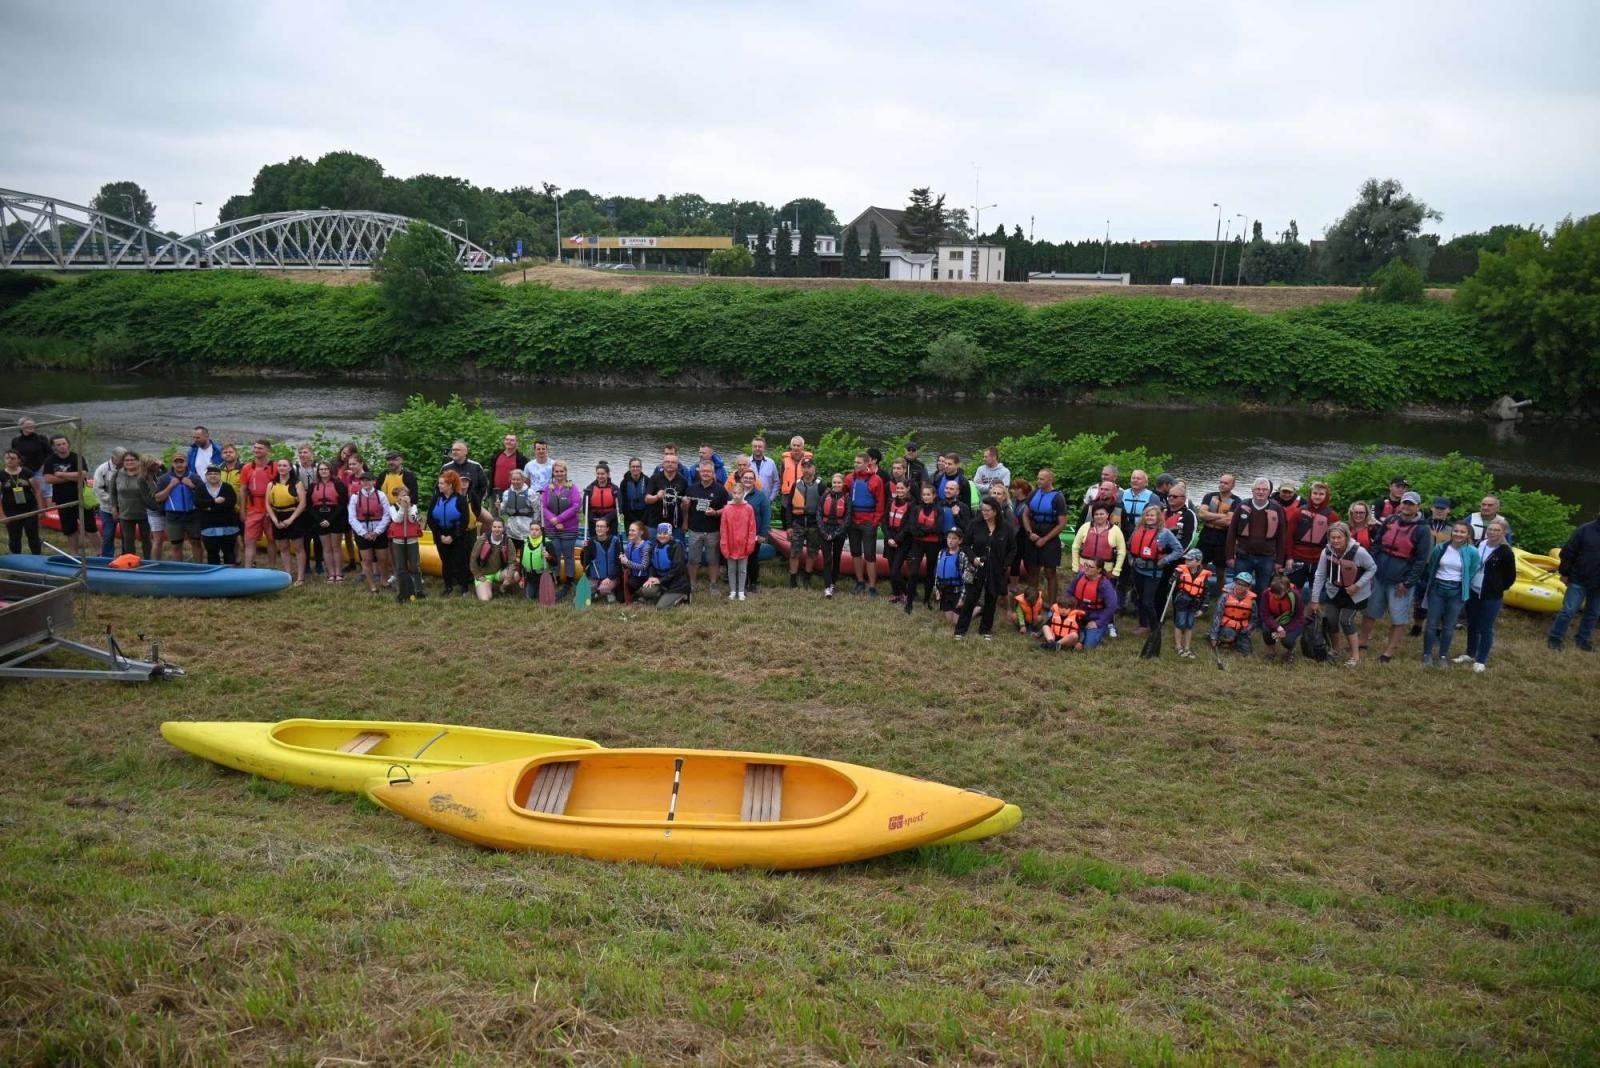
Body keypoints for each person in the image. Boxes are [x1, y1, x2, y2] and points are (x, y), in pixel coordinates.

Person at [1363, 491, 1429, 663]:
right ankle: (1362, 641)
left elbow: (1421, 560)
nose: (1407, 507)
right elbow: (1377, 544)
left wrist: (1408, 583)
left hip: (1400, 581)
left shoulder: (1422, 530)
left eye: (1411, 504)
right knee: (1370, 611)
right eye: (1404, 503)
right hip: (1380, 575)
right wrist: (1371, 566)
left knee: (1397, 617)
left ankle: (1389, 652)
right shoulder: (1391, 520)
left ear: (1418, 507)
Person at [1309, 522, 1377, 668]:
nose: (1335, 541)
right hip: (1334, 591)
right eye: (1332, 538)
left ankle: (1355, 656)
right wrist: (1314, 600)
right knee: (1332, 620)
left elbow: (1372, 568)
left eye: (1339, 537)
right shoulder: (1326, 552)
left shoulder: (1359, 552)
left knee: (1346, 621)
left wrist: (1357, 585)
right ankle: (1335, 649)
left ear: (1346, 537)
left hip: (1355, 593)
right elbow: (1320, 574)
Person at [953, 498, 1015, 641]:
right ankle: (960, 630)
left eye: (987, 510)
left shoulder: (1005, 527)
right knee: (971, 598)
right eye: (983, 510)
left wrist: (1005, 565)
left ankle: (985, 629)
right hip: (977, 567)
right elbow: (966, 545)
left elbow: (1013, 548)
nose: (984, 513)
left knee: (991, 598)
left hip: (996, 569)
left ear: (995, 511)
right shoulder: (975, 524)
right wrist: (973, 558)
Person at [1420, 521, 1480, 666]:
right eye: (1456, 531)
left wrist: (1460, 584)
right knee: (1432, 623)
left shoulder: (1472, 552)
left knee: (1449, 626)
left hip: (1457, 592)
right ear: (1451, 532)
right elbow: (1432, 567)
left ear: (1468, 535)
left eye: (1462, 532)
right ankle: (1427, 654)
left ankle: (1442, 656)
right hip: (1437, 589)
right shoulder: (1440, 548)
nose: (1458, 534)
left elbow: (1472, 571)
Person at [1459, 517, 1515, 672]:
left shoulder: (1506, 552)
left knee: (1486, 627)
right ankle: (1470, 653)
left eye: (1497, 530)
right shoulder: (1480, 544)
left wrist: (1497, 588)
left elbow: (1510, 577)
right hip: (1473, 591)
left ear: (1504, 533)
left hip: (1491, 595)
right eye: (1490, 529)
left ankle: (1481, 659)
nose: (1492, 532)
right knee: (1472, 624)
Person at [1548, 506, 1600, 652]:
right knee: (1569, 610)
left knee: (1594, 613)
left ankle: (1583, 639)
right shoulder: (1585, 530)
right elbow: (1568, 552)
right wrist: (1565, 572)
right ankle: (1555, 638)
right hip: (1580, 578)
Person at [1127, 503, 1184, 635]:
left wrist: (1165, 560)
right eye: (1147, 515)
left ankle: (1155, 628)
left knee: (1148, 601)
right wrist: (1131, 559)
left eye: (1152, 515)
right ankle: (1143, 625)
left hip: (1153, 572)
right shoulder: (1138, 529)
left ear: (1158, 517)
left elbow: (1178, 550)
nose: (1149, 517)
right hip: (1138, 570)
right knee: (1141, 599)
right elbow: (1129, 546)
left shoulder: (1165, 533)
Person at [1226, 478, 1289, 593]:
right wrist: (1230, 556)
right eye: (1258, 489)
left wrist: (1279, 561)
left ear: (1269, 492)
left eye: (1264, 490)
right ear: (1252, 491)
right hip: (1244, 556)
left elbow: (1281, 536)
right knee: (1239, 588)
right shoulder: (1242, 506)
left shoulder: (1277, 509)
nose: (1261, 492)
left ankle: (1260, 610)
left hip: (1267, 558)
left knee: (1263, 589)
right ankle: (1237, 609)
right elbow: (1231, 533)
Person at [1021, 468, 1068, 605]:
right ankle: (1031, 602)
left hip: (1050, 538)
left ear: (1050, 480)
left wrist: (1045, 539)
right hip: (1034, 535)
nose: (1038, 481)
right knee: (1033, 571)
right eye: (1038, 478)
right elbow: (1025, 514)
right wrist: (1030, 533)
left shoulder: (1058, 497)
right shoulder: (1034, 493)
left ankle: (1053, 604)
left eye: (1042, 479)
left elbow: (1062, 523)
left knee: (1050, 573)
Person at [683, 459, 729, 592]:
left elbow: (727, 509)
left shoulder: (721, 489)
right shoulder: (691, 489)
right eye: (703, 471)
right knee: (693, 559)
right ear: (699, 472)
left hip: (713, 530)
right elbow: (685, 510)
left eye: (708, 471)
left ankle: (713, 584)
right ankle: (692, 583)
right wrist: (684, 511)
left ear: (713, 473)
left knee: (713, 559)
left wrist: (715, 512)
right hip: (694, 529)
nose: (705, 474)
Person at [1285, 481, 1339, 591]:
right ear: (1310, 494)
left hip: (1320, 560)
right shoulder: (1299, 512)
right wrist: (1289, 557)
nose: (1317, 496)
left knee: (1318, 592)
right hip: (1298, 558)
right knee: (1293, 590)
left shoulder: (1332, 516)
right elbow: (1289, 536)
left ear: (1326, 496)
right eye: (1315, 493)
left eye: (1321, 494)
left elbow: (1337, 541)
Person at [844, 452, 884, 595]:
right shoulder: (849, 479)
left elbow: (880, 503)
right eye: (855, 462)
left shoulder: (876, 480)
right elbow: (843, 496)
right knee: (855, 553)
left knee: (870, 555)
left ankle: (872, 586)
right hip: (853, 521)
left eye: (859, 462)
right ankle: (860, 581)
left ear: (868, 464)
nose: (856, 465)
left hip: (868, 522)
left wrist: (875, 522)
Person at [40, 434, 87, 556]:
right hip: (62, 498)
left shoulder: (77, 457)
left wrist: (62, 474)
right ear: (54, 447)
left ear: (68, 444)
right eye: (58, 445)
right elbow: (48, 478)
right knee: (69, 528)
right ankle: (74, 554)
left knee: (90, 527)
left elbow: (83, 474)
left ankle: (100, 553)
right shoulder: (50, 460)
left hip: (81, 496)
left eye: (64, 443)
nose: (62, 446)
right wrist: (72, 477)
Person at [542, 462, 583, 598]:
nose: (559, 474)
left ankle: (570, 580)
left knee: (568, 554)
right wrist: (553, 520)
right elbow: (544, 506)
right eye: (556, 471)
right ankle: (557, 578)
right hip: (551, 527)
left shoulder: (573, 488)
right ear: (553, 473)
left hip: (568, 527)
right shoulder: (548, 489)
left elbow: (576, 506)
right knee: (555, 553)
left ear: (566, 472)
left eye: (561, 471)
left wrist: (559, 519)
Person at [428, 470, 472, 596]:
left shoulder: (461, 500)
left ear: (450, 485)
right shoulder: (436, 498)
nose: (439, 485)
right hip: (440, 534)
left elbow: (464, 521)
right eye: (439, 483)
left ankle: (464, 588)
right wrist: (440, 535)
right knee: (445, 561)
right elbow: (430, 519)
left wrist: (452, 536)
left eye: (442, 483)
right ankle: (448, 587)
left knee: (461, 561)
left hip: (457, 535)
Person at [154, 452, 203, 562]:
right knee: (176, 546)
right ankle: (179, 569)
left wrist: (192, 486)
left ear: (186, 463)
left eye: (182, 462)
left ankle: (199, 568)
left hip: (192, 515)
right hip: (173, 517)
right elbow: (157, 498)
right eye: (176, 462)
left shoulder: (194, 477)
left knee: (196, 543)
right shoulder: (164, 479)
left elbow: (203, 495)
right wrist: (171, 486)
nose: (179, 464)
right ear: (172, 464)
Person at [265, 459, 308, 585]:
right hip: (277, 516)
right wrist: (274, 520)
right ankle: (288, 575)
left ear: (290, 468)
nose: (282, 468)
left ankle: (300, 577)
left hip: (294, 516)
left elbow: (302, 503)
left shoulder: (297, 483)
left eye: (285, 465)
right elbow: (267, 504)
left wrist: (291, 519)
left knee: (298, 548)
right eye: (280, 465)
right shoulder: (271, 484)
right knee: (283, 547)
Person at [348, 470, 391, 593]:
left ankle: (384, 581)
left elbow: (387, 515)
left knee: (383, 559)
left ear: (373, 481)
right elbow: (352, 518)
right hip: (362, 531)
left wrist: (377, 532)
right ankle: (372, 585)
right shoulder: (355, 497)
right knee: (366, 560)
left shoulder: (381, 495)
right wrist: (364, 533)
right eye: (363, 480)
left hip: (379, 531)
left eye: (368, 480)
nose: (365, 482)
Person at [904, 481, 942, 613]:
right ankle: (909, 602)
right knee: (913, 572)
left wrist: (922, 530)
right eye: (924, 494)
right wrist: (924, 530)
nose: (925, 497)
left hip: (932, 544)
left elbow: (937, 528)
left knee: (929, 572)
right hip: (918, 543)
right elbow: (912, 526)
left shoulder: (938, 510)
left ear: (934, 496)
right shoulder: (916, 509)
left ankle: (927, 599)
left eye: (928, 494)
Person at [110, 450, 156, 558]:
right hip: (125, 514)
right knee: (128, 541)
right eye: (127, 460)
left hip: (145, 513)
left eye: (132, 460)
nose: (129, 462)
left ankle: (148, 561)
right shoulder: (117, 474)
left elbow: (152, 491)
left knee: (146, 540)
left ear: (138, 461)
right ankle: (130, 562)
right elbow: (113, 493)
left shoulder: (145, 474)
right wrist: (114, 508)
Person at [308, 461, 349, 583]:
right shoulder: (313, 485)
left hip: (335, 517)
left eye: (326, 469)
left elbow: (342, 504)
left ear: (330, 470)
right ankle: (331, 573)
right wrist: (320, 520)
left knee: (336, 547)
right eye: (321, 469)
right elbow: (309, 505)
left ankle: (339, 573)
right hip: (319, 518)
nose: (323, 471)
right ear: (318, 472)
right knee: (326, 548)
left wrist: (330, 520)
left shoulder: (338, 484)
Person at [1196, 473, 1240, 584]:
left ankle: (1220, 597)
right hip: (1206, 536)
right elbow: (1201, 514)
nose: (1222, 485)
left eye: (1226, 483)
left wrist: (1209, 517)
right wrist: (1221, 516)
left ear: (1232, 486)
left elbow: (1228, 521)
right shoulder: (1209, 496)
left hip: (1223, 538)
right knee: (1200, 568)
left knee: (1221, 572)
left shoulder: (1236, 500)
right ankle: (1198, 594)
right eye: (1221, 482)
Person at [239, 441, 276, 569]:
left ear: (267, 451)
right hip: (253, 508)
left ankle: (271, 568)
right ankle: (248, 569)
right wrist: (243, 510)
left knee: (272, 539)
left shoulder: (275, 467)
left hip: (271, 509)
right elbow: (243, 490)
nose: (256, 450)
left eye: (260, 448)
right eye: (255, 448)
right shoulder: (247, 468)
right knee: (249, 540)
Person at [786, 458, 822, 589]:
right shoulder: (796, 485)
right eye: (804, 467)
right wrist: (789, 526)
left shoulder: (821, 485)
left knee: (812, 553)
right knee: (795, 552)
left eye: (809, 467)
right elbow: (789, 506)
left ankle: (807, 577)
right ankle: (793, 579)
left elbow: (826, 507)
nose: (807, 470)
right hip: (798, 524)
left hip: (814, 525)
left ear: (814, 468)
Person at [1, 449, 45, 554]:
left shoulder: (27, 472)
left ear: (19, 460)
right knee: (14, 537)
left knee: (33, 535)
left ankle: (37, 558)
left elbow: (37, 491)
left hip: (29, 508)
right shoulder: (1, 475)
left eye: (12, 458)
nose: (10, 460)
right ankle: (16, 559)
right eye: (7, 458)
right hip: (11, 510)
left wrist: (41, 509)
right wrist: (2, 515)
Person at [1070, 503, 1126, 586]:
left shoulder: (1116, 530)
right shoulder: (1085, 527)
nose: (1099, 516)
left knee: (1104, 597)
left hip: (1106, 571)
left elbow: (1122, 551)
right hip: (1084, 568)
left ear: (1107, 515)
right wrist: (1075, 566)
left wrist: (1116, 571)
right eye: (1096, 514)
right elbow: (1075, 547)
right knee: (1082, 593)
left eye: (1102, 514)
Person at [1171, 549, 1212, 659]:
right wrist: (1175, 578)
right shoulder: (1180, 571)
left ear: (1198, 561)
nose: (1187, 561)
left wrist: (1203, 608)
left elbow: (1206, 592)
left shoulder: (1204, 576)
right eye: (1186, 559)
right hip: (1182, 600)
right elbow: (1172, 585)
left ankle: (1187, 647)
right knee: (1180, 623)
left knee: (1189, 625)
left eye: (1190, 559)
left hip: (1195, 603)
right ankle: (1178, 646)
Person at [1068, 559, 1119, 650]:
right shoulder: (1080, 576)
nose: (1086, 568)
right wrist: (1066, 608)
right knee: (1053, 615)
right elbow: (1069, 592)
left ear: (1099, 570)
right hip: (1077, 614)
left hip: (1095, 617)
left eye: (1090, 567)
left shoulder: (1104, 585)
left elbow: (1112, 606)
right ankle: (1081, 633)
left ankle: (1103, 630)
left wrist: (1098, 622)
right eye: (1086, 565)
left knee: (1088, 647)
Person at [1257, 572, 1307, 664]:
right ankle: (1271, 652)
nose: (1275, 596)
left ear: (1287, 590)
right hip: (1275, 621)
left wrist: (1285, 630)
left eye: (1278, 594)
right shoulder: (1266, 594)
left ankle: (1291, 651)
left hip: (1292, 622)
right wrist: (1277, 627)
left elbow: (1300, 618)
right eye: (1273, 593)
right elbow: (1265, 615)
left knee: (1287, 640)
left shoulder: (1296, 596)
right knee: (1266, 629)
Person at [719, 482, 758, 601]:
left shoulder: (748, 508)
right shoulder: (727, 509)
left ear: (743, 493)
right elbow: (723, 529)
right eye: (734, 493)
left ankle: (741, 591)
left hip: (743, 545)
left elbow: (752, 528)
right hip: (730, 544)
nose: (736, 496)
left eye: (739, 493)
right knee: (731, 570)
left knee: (742, 569)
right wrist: (724, 545)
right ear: (731, 493)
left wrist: (750, 544)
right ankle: (732, 591)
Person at [195, 464, 241, 564]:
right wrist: (214, 501)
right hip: (208, 526)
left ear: (220, 475)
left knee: (229, 551)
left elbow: (231, 503)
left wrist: (209, 507)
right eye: (210, 474)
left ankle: (230, 573)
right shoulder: (201, 488)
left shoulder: (227, 487)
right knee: (212, 552)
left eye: (216, 473)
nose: (213, 476)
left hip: (227, 525)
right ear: (206, 476)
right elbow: (198, 503)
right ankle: (214, 574)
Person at [388, 485, 425, 602]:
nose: (405, 497)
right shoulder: (392, 508)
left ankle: (419, 589)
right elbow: (397, 520)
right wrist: (402, 508)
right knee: (401, 566)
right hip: (398, 541)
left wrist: (408, 508)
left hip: (412, 540)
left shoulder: (413, 507)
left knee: (415, 565)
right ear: (397, 497)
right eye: (402, 495)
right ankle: (403, 590)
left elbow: (412, 520)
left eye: (407, 495)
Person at [640, 522, 690, 609]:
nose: (662, 536)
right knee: (646, 590)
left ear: (670, 534)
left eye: (665, 533)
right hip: (663, 582)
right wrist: (651, 577)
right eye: (659, 533)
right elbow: (651, 565)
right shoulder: (654, 546)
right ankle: (664, 594)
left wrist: (661, 580)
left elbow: (677, 569)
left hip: (677, 583)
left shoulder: (676, 546)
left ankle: (683, 595)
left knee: (661, 607)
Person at [440, 441, 487, 532]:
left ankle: (482, 543)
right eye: (453, 450)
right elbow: (439, 487)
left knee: (489, 520)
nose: (454, 452)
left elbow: (483, 487)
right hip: (451, 504)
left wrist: (477, 503)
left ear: (465, 452)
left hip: (472, 504)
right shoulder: (446, 467)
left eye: (457, 450)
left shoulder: (476, 466)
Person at [817, 472, 850, 599]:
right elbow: (819, 514)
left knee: (836, 557)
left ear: (843, 484)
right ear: (832, 483)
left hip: (839, 532)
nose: (836, 485)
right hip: (825, 530)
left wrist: (836, 533)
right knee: (827, 559)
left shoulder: (846, 498)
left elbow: (847, 519)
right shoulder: (825, 495)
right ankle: (827, 587)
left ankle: (833, 583)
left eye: (839, 482)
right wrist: (824, 532)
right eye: (834, 482)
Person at [882, 479, 914, 605]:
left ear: (907, 489)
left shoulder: (912, 505)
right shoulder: (891, 502)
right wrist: (889, 537)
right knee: (891, 569)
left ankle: (906, 593)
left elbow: (909, 526)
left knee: (895, 570)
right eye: (898, 488)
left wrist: (896, 539)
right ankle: (896, 593)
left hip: (902, 541)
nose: (899, 490)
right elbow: (884, 521)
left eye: (902, 488)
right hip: (889, 538)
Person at [92, 446, 128, 557]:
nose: (123, 462)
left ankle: (126, 556)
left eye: (125, 459)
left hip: (125, 508)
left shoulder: (128, 468)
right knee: (108, 533)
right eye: (121, 459)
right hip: (107, 508)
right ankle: (107, 556)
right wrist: (113, 501)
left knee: (126, 534)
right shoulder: (102, 469)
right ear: (113, 457)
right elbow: (98, 489)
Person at [739, 468, 771, 594]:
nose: (747, 480)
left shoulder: (760, 496)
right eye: (745, 478)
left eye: (750, 478)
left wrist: (763, 533)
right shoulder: (735, 493)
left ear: (754, 481)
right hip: (739, 534)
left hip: (754, 533)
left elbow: (766, 515)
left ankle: (752, 583)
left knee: (752, 558)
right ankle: (742, 582)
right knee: (741, 558)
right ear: (741, 479)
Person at [498, 468, 542, 558]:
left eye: (518, 479)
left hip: (526, 529)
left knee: (524, 555)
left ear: (523, 480)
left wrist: (535, 525)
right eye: (513, 479)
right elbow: (502, 511)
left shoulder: (530, 493)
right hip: (512, 529)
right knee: (511, 555)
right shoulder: (506, 493)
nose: (515, 482)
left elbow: (537, 510)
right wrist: (499, 506)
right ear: (510, 480)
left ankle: (524, 569)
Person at [1211, 572, 1257, 657]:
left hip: (1242, 628)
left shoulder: (1252, 601)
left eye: (1244, 585)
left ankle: (1236, 642)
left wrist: (1248, 630)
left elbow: (1254, 619)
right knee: (1228, 634)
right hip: (1227, 626)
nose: (1240, 587)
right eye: (1238, 583)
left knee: (1247, 652)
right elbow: (1217, 616)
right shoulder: (1225, 596)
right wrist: (1214, 635)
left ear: (1249, 587)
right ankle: (1223, 642)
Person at [471, 518, 517, 601]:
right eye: (494, 527)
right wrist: (478, 575)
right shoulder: (483, 539)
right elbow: (473, 559)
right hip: (484, 574)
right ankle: (486, 585)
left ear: (503, 528)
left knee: (515, 575)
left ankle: (502, 587)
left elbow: (512, 562)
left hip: (499, 572)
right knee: (485, 599)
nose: (497, 529)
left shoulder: (507, 541)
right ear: (491, 528)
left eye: (499, 527)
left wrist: (508, 578)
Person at [645, 446, 688, 533]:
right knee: (653, 546)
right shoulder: (654, 478)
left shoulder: (683, 480)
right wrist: (657, 496)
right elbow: (647, 499)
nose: (670, 464)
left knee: (678, 546)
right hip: (655, 523)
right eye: (667, 462)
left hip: (676, 524)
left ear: (677, 465)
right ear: (663, 464)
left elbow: (685, 507)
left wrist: (685, 522)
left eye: (673, 462)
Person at [933, 527, 969, 625]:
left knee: (956, 622)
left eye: (954, 538)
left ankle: (977, 608)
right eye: (949, 538)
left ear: (960, 540)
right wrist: (937, 590)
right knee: (949, 621)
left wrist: (962, 598)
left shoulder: (963, 556)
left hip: (958, 592)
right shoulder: (942, 553)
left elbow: (967, 580)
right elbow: (937, 574)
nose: (950, 541)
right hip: (946, 591)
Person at [581, 517, 622, 602]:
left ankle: (604, 592)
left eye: (602, 526)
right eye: (597, 526)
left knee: (604, 588)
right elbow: (584, 563)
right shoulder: (591, 542)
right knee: (577, 599)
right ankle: (598, 592)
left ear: (607, 528)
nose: (599, 528)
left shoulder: (615, 541)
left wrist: (610, 578)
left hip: (611, 578)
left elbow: (618, 564)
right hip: (595, 577)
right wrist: (583, 550)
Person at [488, 434, 528, 517]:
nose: (509, 442)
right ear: (504, 441)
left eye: (512, 440)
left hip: (513, 492)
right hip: (496, 491)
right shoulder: (497, 455)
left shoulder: (521, 458)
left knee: (514, 515)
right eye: (507, 439)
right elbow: (492, 472)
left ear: (517, 443)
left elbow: (524, 477)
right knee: (495, 516)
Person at [583, 462, 619, 540]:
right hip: (594, 522)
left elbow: (620, 508)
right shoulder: (589, 489)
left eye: (602, 474)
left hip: (610, 522)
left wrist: (605, 519)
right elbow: (585, 509)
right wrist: (595, 520)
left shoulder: (615, 489)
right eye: (598, 474)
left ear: (608, 474)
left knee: (611, 542)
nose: (600, 476)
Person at [518, 522, 552, 599]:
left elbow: (555, 563)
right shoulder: (525, 543)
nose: (534, 532)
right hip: (531, 577)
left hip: (543, 576)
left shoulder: (547, 544)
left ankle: (546, 587)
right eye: (532, 529)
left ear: (541, 531)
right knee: (530, 597)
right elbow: (521, 562)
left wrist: (548, 556)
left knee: (542, 597)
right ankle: (533, 588)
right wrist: (522, 578)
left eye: (537, 529)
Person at [778, 436, 813, 512]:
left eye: (798, 445)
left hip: (804, 494)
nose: (796, 448)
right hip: (787, 496)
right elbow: (780, 478)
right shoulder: (784, 461)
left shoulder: (809, 461)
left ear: (802, 447)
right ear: (791, 446)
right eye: (794, 445)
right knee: (786, 520)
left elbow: (813, 478)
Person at [620, 521, 651, 601]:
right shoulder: (630, 545)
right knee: (620, 598)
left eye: (633, 530)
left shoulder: (646, 546)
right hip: (634, 576)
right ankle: (637, 595)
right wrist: (623, 560)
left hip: (644, 578)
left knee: (632, 584)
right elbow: (626, 565)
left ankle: (641, 594)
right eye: (630, 530)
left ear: (641, 532)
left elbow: (644, 566)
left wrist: (627, 562)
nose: (630, 532)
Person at [618, 457, 650, 535]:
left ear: (641, 468)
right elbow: (624, 504)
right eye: (633, 466)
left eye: (638, 466)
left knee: (644, 539)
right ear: (629, 468)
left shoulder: (647, 481)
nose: (635, 468)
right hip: (629, 516)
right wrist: (634, 520)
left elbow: (649, 504)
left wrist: (642, 521)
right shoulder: (624, 483)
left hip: (645, 517)